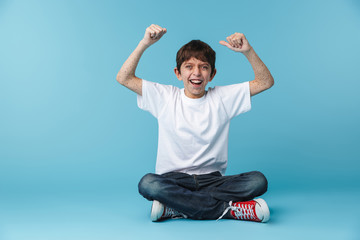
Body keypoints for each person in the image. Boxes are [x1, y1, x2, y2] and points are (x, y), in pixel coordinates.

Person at [116, 24, 274, 222]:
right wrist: (144, 43)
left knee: (258, 181)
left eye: (204, 67)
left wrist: (248, 51)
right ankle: (228, 210)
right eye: (189, 67)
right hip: (174, 180)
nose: (196, 73)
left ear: (212, 74)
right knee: (149, 184)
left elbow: (265, 82)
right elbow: (123, 77)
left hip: (214, 181)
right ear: (178, 73)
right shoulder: (165, 97)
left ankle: (177, 208)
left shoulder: (222, 98)